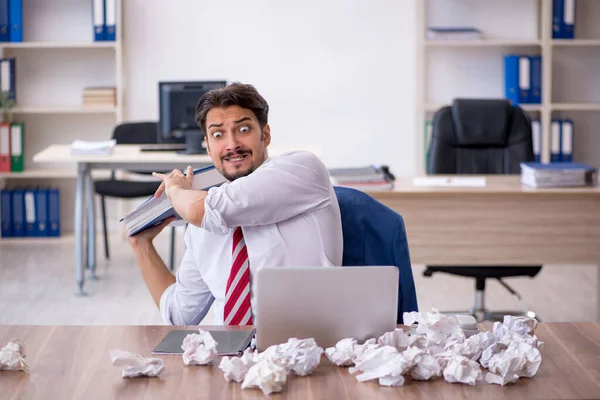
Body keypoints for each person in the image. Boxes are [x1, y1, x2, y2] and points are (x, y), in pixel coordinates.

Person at [128, 82, 343, 326]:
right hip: (230, 357)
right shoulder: (200, 223)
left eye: (243, 129)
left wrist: (175, 189)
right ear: (208, 147)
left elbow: (204, 210)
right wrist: (141, 245)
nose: (232, 144)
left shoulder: (303, 169)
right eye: (218, 134)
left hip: (302, 347)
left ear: (266, 134)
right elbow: (179, 315)